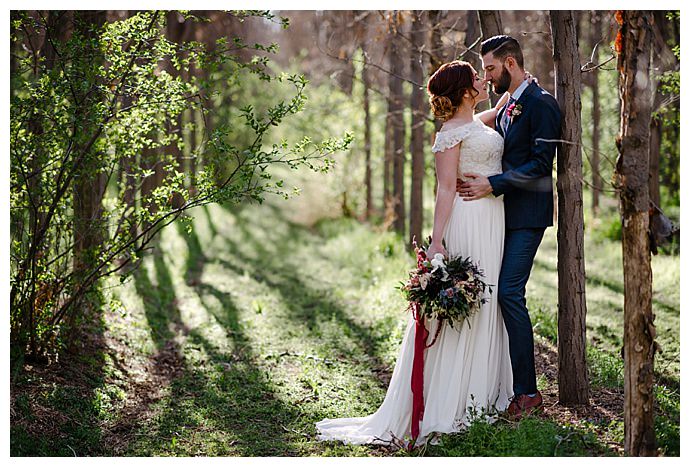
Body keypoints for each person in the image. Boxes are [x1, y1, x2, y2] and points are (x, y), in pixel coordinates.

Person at [315, 60, 514, 447]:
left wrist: (513, 92)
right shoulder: (449, 134)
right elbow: (443, 190)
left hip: (494, 222)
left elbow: (492, 116)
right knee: (472, 308)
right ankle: (454, 401)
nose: (482, 79)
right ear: (464, 90)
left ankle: (487, 393)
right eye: (476, 76)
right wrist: (436, 242)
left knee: (492, 306)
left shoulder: (475, 122)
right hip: (469, 222)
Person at [459, 35, 561, 419]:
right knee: (495, 293)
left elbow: (540, 165)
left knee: (508, 293)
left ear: (511, 64)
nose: (486, 76)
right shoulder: (510, 103)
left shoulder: (542, 103)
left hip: (528, 216)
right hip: (500, 215)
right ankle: (496, 383)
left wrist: (492, 184)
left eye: (490, 68)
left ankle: (528, 393)